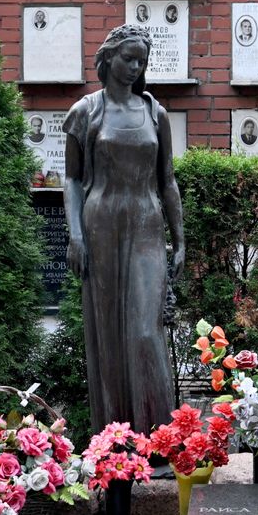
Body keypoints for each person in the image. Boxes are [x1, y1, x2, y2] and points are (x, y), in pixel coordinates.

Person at [63, 25, 184, 437]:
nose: (135, 67)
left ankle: (161, 439)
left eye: (141, 62)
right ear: (108, 58)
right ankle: (115, 440)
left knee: (146, 329)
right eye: (128, 58)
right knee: (109, 333)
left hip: (147, 224)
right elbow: (72, 181)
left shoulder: (155, 113)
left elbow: (167, 180)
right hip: (101, 225)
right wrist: (75, 235)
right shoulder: (85, 112)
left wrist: (179, 239)